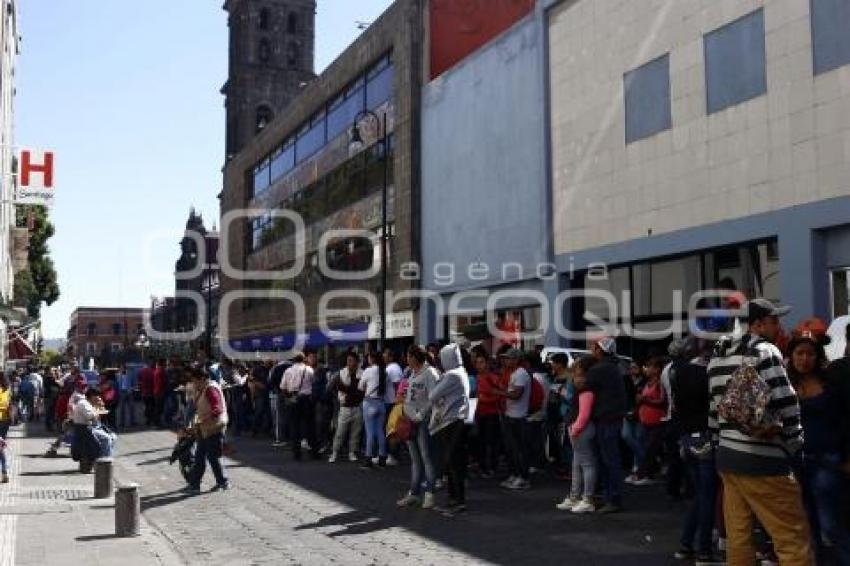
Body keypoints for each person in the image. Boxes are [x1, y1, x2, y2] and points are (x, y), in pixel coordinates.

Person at [707, 299, 812, 565]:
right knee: (791, 537)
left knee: (739, 537)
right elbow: (786, 402)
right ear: (757, 324)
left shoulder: (717, 357)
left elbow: (714, 413)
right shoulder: (766, 351)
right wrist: (795, 444)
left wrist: (720, 445)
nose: (779, 325)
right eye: (775, 320)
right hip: (764, 459)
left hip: (728, 458)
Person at [787, 325, 850, 564]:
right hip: (798, 463)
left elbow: (844, 421)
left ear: (818, 356)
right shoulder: (785, 387)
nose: (804, 359)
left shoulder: (830, 385)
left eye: (810, 354)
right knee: (807, 525)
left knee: (831, 524)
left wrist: (846, 457)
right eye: (799, 354)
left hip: (828, 461)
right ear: (791, 357)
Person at [670, 338, 719, 563]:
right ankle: (704, 550)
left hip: (688, 438)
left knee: (699, 495)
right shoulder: (713, 372)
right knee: (707, 496)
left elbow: (676, 406)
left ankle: (686, 544)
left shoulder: (679, 371)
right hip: (709, 436)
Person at [586, 337, 628, 513]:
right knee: (611, 459)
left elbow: (584, 387)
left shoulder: (599, 369)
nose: (592, 351)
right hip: (613, 418)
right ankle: (610, 496)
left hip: (605, 419)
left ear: (600, 350)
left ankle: (612, 498)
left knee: (608, 460)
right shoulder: (615, 367)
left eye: (594, 348)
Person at [428, 343, 470, 516]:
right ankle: (453, 499)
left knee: (453, 463)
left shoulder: (452, 375)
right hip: (457, 421)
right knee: (454, 463)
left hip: (453, 422)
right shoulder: (461, 372)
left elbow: (432, 395)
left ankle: (458, 501)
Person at [397, 345, 439, 509]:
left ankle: (430, 493)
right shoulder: (411, 373)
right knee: (415, 459)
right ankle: (414, 493)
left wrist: (421, 414)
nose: (407, 359)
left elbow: (434, 397)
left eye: (408, 356)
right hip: (409, 420)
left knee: (426, 458)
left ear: (415, 357)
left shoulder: (430, 373)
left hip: (422, 420)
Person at [557, 355, 597, 514]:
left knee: (586, 464)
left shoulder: (586, 389)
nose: (574, 374)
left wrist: (575, 428)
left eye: (578, 370)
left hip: (580, 429)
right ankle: (576, 496)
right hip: (577, 427)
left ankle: (587, 498)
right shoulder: (584, 387)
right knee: (578, 464)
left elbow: (584, 413)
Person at [183, 367, 229, 494]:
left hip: (214, 428)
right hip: (204, 429)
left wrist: (204, 420)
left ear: (202, 379)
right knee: (199, 457)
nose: (193, 384)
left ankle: (223, 482)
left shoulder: (211, 389)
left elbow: (217, 409)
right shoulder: (202, 389)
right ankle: (195, 484)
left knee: (213, 457)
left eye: (194, 381)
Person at [494, 348, 532, 490]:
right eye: (505, 358)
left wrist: (499, 392)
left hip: (518, 417)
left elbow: (516, 395)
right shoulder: (514, 373)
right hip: (511, 415)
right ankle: (515, 474)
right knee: (511, 449)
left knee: (519, 449)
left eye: (509, 358)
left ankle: (523, 477)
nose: (506, 360)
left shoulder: (521, 374)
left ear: (516, 360)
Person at [632, 357, 668, 484]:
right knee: (644, 447)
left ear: (657, 369)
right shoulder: (647, 383)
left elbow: (662, 401)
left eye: (651, 366)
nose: (647, 369)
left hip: (656, 421)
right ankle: (647, 472)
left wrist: (645, 400)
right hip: (644, 420)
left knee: (649, 449)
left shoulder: (660, 383)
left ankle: (644, 474)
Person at [329, 351, 364, 463]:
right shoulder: (341, 373)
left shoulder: (362, 373)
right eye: (348, 360)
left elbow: (360, 391)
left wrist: (346, 389)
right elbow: (335, 386)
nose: (349, 363)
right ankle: (335, 452)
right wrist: (346, 391)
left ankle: (352, 452)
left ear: (357, 362)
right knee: (340, 432)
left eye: (351, 360)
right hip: (344, 406)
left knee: (356, 432)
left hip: (357, 407)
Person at [281, 353, 316, 460]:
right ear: (303, 359)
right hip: (306, 399)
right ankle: (313, 451)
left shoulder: (288, 371)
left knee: (294, 426)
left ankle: (296, 452)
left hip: (293, 399)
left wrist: (289, 396)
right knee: (309, 425)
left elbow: (283, 387)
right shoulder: (309, 370)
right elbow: (313, 383)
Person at [473, 350, 502, 479]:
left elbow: (500, 395)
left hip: (491, 414)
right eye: (477, 363)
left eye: (482, 362)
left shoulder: (493, 377)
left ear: (487, 363)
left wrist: (483, 399)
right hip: (479, 414)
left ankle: (491, 467)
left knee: (491, 442)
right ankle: (483, 466)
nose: (479, 365)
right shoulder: (476, 378)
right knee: (481, 442)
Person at [358, 351, 388, 468]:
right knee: (380, 431)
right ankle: (382, 457)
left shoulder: (368, 370)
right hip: (381, 403)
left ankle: (368, 458)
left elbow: (360, 386)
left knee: (369, 432)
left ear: (371, 359)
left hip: (369, 402)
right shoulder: (384, 371)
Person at [622, 361, 646, 483]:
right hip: (627, 413)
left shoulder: (645, 380)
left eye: (636, 367)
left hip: (640, 413)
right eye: (631, 367)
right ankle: (646, 460)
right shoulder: (625, 379)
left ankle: (637, 467)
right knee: (626, 436)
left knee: (638, 438)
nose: (633, 369)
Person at [383, 350, 404, 466]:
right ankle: (389, 454)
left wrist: (397, 403)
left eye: (385, 354)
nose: (383, 356)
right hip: (390, 402)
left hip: (393, 403)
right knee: (389, 430)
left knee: (392, 431)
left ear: (391, 357)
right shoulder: (391, 367)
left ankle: (393, 456)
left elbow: (398, 386)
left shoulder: (394, 368)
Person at [268, 358, 290, 447]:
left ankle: (281, 438)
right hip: (292, 394)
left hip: (280, 393)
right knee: (290, 417)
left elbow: (270, 381)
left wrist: (276, 389)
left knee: (279, 417)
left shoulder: (276, 367)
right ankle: (290, 437)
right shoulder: (292, 366)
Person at [0, 374, 12, 483]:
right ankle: (4, 473)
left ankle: (4, 472)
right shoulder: (7, 390)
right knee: (0, 447)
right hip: (5, 421)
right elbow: (9, 404)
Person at [139, 360, 155, 427]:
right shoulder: (152, 371)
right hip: (150, 392)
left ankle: (147, 419)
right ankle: (150, 419)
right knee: (151, 406)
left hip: (144, 392)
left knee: (146, 406)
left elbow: (139, 381)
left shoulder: (141, 371)